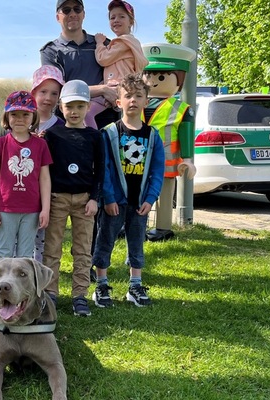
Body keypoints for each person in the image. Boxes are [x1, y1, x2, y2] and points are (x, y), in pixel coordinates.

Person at [92, 73, 164, 308]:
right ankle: (101, 285)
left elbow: (157, 170)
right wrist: (109, 198)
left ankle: (135, 285)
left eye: (138, 96)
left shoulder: (153, 136)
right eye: (128, 96)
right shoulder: (109, 133)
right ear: (119, 102)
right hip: (114, 203)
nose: (133, 100)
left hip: (139, 202)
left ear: (146, 101)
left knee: (136, 242)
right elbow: (104, 169)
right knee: (105, 240)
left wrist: (151, 198)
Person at [41, 80, 104, 316]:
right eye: (69, 107)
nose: (74, 112)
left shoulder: (95, 137)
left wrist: (94, 198)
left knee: (82, 250)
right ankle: (50, 294)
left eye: (80, 106)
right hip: (57, 199)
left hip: (84, 201)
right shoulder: (52, 135)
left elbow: (101, 170)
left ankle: (79, 295)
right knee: (52, 249)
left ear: (88, 107)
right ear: (61, 107)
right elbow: (44, 170)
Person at [141, 43, 197, 242]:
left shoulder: (181, 108)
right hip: (137, 161)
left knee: (165, 196)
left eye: (162, 76)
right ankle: (137, 225)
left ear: (179, 80)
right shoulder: (136, 100)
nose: (153, 81)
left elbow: (186, 134)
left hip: (166, 162)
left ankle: (163, 227)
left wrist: (189, 159)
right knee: (139, 194)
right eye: (148, 75)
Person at [0, 91, 52, 259]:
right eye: (14, 114)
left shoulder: (40, 144)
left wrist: (45, 209)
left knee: (25, 255)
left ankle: (23, 287)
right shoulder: (0, 144)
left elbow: (44, 179)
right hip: (6, 208)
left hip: (32, 209)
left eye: (25, 114)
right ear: (7, 117)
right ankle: (0, 286)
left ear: (33, 116)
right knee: (4, 253)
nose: (20, 119)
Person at [40, 0, 118, 129]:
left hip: (106, 119)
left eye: (77, 9)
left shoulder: (103, 44)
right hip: (68, 122)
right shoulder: (50, 51)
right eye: (66, 10)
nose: (72, 14)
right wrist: (102, 89)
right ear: (57, 17)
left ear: (83, 14)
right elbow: (58, 90)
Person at [29, 65, 66, 263]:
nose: (48, 98)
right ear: (34, 92)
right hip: (22, 190)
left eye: (54, 93)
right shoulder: (21, 122)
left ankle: (39, 278)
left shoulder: (61, 126)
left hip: (48, 189)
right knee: (22, 237)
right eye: (43, 91)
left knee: (43, 236)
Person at [93, 0, 148, 128]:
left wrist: (99, 43)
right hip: (123, 87)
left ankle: (93, 138)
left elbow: (103, 58)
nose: (116, 20)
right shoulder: (131, 43)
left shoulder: (124, 42)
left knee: (88, 112)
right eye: (112, 17)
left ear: (131, 22)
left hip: (116, 86)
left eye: (121, 16)